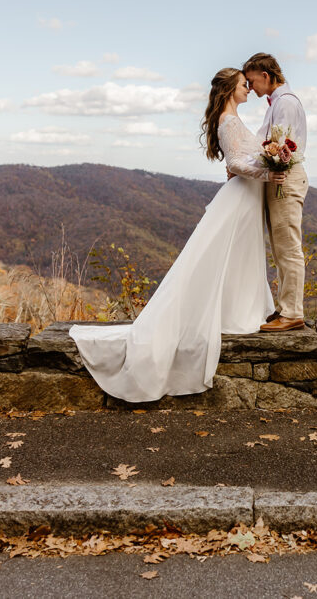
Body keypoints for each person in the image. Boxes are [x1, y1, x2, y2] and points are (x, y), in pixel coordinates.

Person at [68, 68, 288, 403]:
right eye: (244, 85)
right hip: (240, 197)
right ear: (231, 88)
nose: (248, 89)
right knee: (214, 257)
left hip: (246, 199)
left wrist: (271, 156)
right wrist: (269, 170)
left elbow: (241, 160)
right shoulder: (228, 121)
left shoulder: (234, 118)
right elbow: (236, 164)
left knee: (239, 257)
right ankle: (225, 314)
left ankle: (239, 310)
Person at [242, 53, 309, 332]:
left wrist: (243, 167)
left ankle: (293, 312)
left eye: (251, 80)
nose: (249, 87)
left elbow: (280, 147)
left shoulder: (286, 103)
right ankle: (285, 307)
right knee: (280, 248)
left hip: (286, 179)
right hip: (279, 178)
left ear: (266, 76)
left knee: (288, 247)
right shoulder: (278, 103)